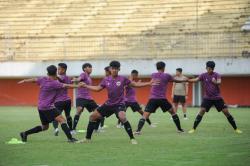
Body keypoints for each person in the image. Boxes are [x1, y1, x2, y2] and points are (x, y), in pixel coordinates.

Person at [78, 60, 158, 144]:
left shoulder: (123, 79)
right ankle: (87, 139)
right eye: (113, 68)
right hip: (109, 104)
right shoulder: (106, 79)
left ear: (119, 69)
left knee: (122, 117)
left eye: (116, 69)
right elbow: (98, 89)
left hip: (119, 104)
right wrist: (86, 86)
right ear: (110, 69)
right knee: (92, 117)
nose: (114, 70)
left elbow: (135, 85)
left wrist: (149, 83)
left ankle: (132, 138)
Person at [18, 65, 83, 143]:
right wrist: (78, 86)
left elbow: (34, 80)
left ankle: (25, 133)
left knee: (45, 127)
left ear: (47, 73)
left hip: (40, 107)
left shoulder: (43, 79)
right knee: (62, 120)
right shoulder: (54, 83)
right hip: (47, 107)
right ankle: (70, 139)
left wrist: (25, 81)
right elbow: (66, 85)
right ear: (55, 72)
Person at [188, 61, 242, 134]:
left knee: (226, 112)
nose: (208, 69)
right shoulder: (203, 75)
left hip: (217, 98)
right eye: (207, 68)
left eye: (210, 68)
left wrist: (215, 82)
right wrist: (187, 80)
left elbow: (219, 82)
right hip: (207, 98)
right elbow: (196, 80)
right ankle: (193, 128)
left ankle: (236, 129)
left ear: (212, 68)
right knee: (202, 111)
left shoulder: (217, 75)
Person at [134, 61, 186, 135]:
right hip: (162, 99)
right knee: (173, 113)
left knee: (145, 115)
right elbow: (176, 80)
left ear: (157, 68)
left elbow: (152, 82)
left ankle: (138, 131)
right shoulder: (167, 75)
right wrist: (184, 80)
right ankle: (179, 129)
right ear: (164, 67)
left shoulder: (153, 75)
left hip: (153, 99)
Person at [71, 63, 99, 134]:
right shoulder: (83, 74)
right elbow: (79, 79)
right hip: (81, 97)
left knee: (98, 112)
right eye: (88, 67)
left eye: (91, 67)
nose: (90, 68)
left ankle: (96, 129)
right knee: (79, 110)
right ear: (84, 69)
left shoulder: (89, 78)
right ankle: (73, 130)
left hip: (89, 98)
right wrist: (76, 80)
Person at [52, 63, 73, 136]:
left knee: (56, 116)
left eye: (59, 69)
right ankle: (71, 130)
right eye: (57, 69)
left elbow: (61, 80)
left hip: (59, 101)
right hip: (67, 100)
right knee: (68, 115)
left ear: (64, 70)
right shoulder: (68, 78)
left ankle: (56, 129)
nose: (58, 70)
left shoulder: (62, 77)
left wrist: (55, 76)